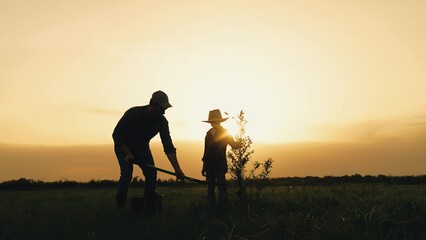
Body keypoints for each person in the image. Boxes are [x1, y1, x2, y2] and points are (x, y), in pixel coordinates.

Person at [112, 90, 185, 210]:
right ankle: (120, 208)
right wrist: (128, 153)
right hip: (123, 146)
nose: (163, 112)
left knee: (151, 173)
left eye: (165, 109)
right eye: (161, 108)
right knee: (126, 174)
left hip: (142, 147)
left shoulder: (162, 122)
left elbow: (168, 146)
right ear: (152, 103)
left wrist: (177, 169)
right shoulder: (133, 114)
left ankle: (149, 205)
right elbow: (117, 135)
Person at [201, 109, 241, 202]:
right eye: (212, 122)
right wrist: (204, 166)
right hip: (209, 165)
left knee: (221, 188)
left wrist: (239, 144)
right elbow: (206, 151)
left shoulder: (226, 133)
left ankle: (223, 207)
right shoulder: (208, 134)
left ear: (219, 122)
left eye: (215, 121)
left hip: (220, 164)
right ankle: (213, 209)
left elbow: (233, 145)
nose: (213, 123)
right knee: (210, 190)